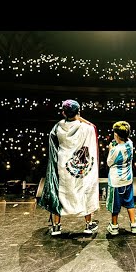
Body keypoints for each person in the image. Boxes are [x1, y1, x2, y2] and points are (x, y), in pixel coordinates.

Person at [38, 99, 99, 236]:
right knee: (85, 191)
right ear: (78, 112)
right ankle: (88, 225)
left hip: (62, 166)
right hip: (81, 167)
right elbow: (93, 127)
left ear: (63, 113)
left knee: (60, 192)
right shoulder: (86, 128)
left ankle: (56, 226)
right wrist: (79, 116)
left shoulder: (57, 128)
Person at [105, 121, 136, 235]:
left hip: (116, 182)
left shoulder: (115, 150)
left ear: (116, 135)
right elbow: (123, 143)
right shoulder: (130, 143)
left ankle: (114, 227)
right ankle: (134, 225)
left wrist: (110, 149)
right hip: (128, 179)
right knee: (129, 202)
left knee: (115, 205)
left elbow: (109, 163)